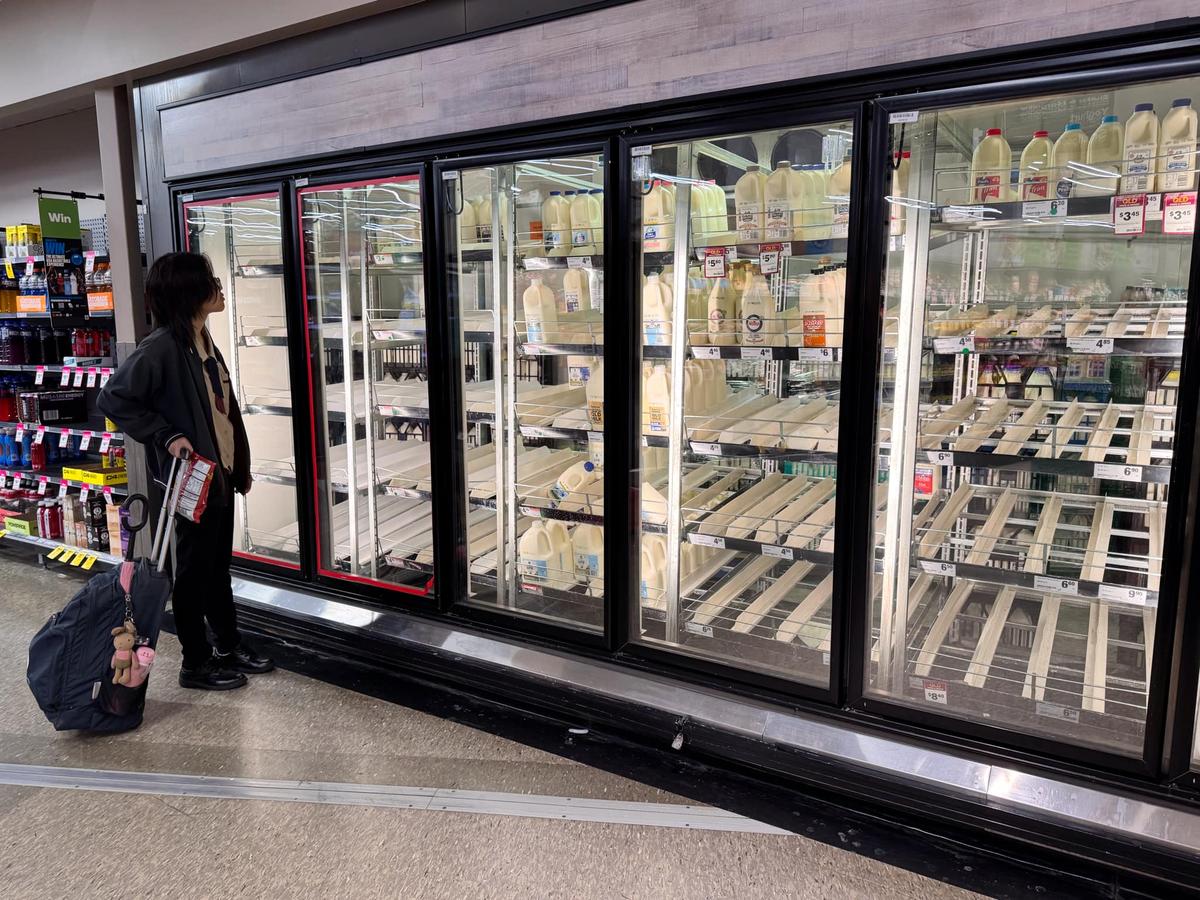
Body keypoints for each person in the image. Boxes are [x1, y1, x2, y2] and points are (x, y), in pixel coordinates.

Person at [99, 251, 274, 690]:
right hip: (190, 483)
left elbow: (223, 413)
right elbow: (114, 398)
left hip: (219, 477)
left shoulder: (203, 342)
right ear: (188, 293)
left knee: (217, 568)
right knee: (194, 574)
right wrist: (163, 434)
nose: (218, 287)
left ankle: (227, 643)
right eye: (209, 280)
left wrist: (241, 466)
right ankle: (195, 663)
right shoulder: (160, 348)